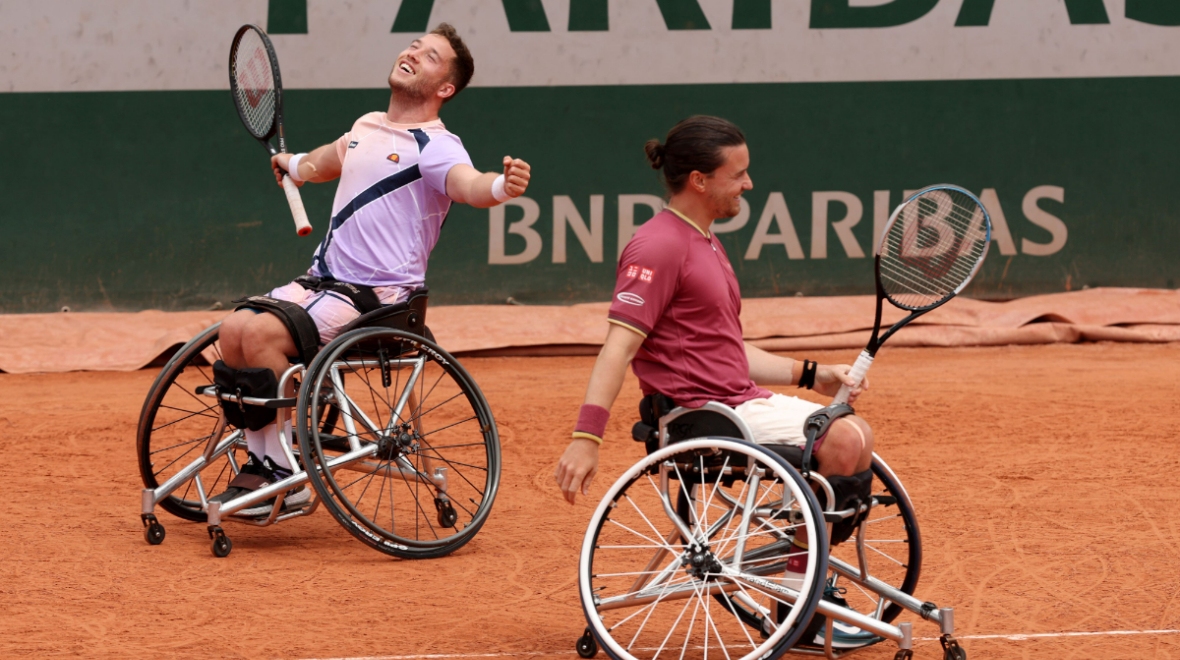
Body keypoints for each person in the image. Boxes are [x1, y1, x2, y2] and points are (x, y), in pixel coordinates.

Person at [552, 115, 876, 648]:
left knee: (855, 434)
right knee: (844, 437)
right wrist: (586, 437)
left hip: (738, 400)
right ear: (700, 180)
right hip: (701, 414)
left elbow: (726, 347)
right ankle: (802, 597)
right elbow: (619, 346)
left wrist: (815, 375)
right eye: (738, 174)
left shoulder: (704, 241)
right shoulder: (657, 246)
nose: (749, 184)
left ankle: (800, 576)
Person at [211, 23, 531, 516]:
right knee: (233, 329)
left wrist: (501, 189)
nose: (412, 53)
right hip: (321, 281)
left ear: (445, 88)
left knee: (261, 339)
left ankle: (282, 474)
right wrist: (293, 165)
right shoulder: (365, 127)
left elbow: (468, 184)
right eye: (414, 46)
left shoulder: (436, 145)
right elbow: (325, 162)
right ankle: (271, 458)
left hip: (380, 300)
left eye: (428, 56)